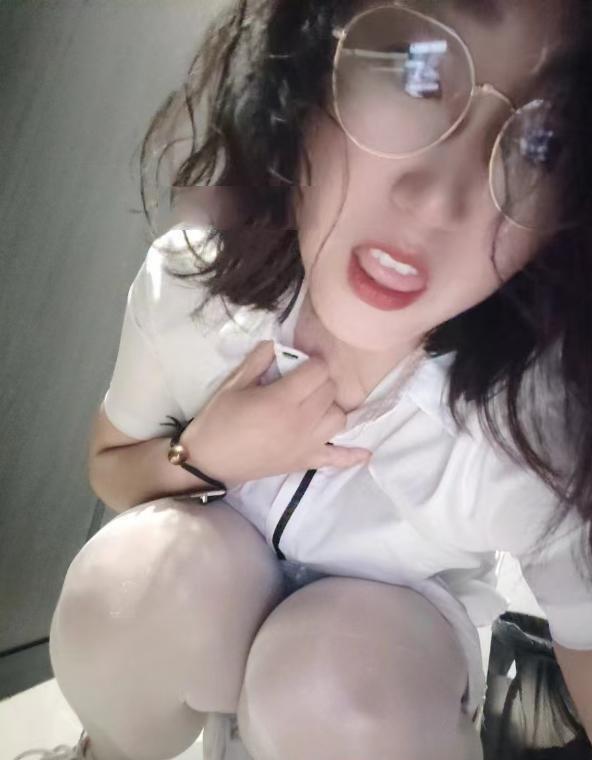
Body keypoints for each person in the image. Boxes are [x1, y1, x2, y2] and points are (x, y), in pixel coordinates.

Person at [17, 1, 592, 759]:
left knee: (340, 690)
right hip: (191, 609)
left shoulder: (538, 432)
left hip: (395, 656)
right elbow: (110, 465)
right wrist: (205, 456)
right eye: (416, 72)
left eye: (545, 147)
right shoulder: (197, 287)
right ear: (311, 66)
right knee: (129, 589)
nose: (436, 201)